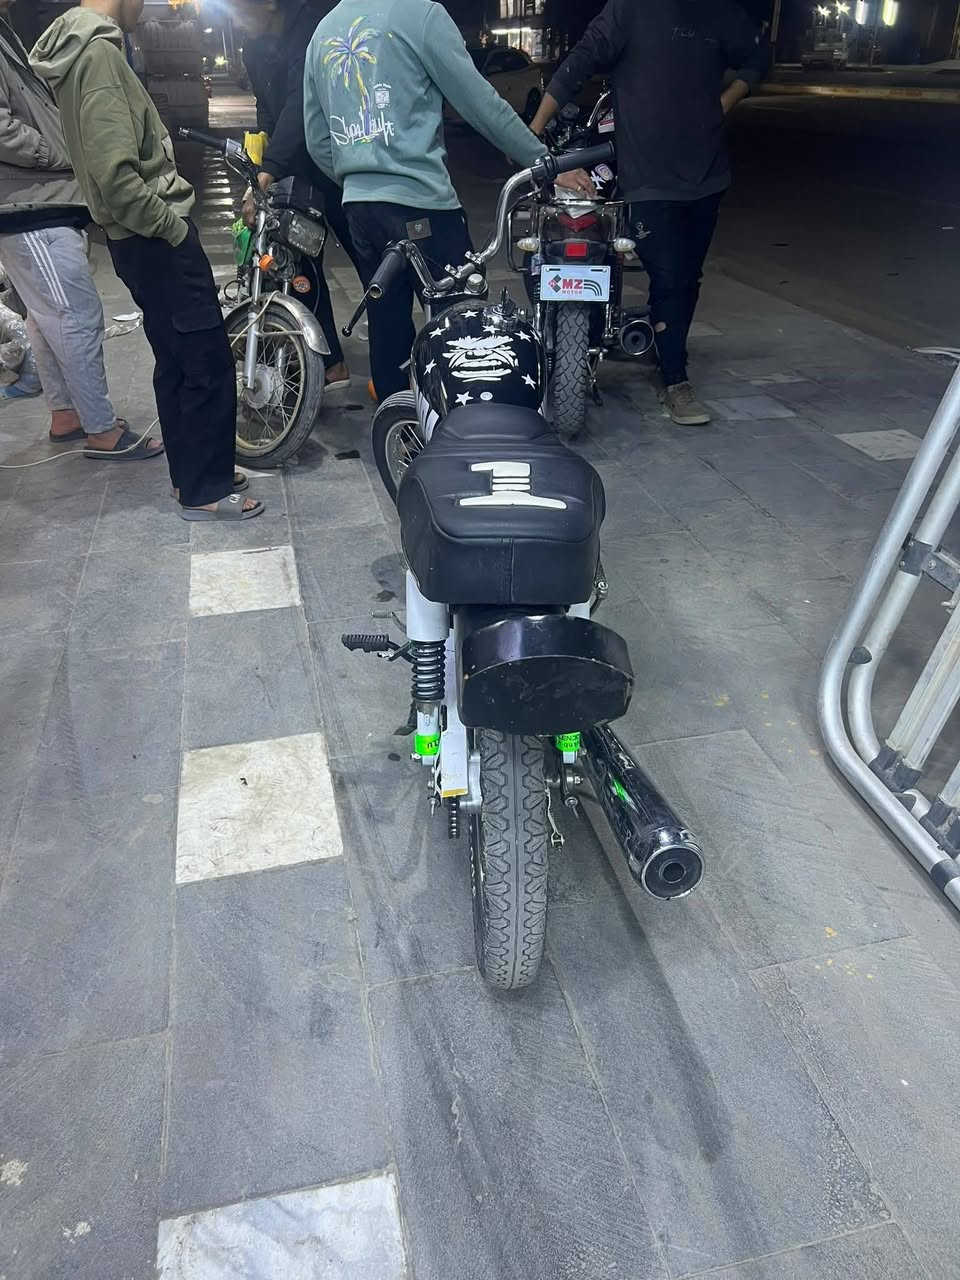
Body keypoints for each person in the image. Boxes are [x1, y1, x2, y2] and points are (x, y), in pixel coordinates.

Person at [31, 0, 262, 521]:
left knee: (178, 358)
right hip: (154, 237)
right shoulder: (98, 57)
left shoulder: (81, 52)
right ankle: (205, 489)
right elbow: (116, 177)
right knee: (205, 359)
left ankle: (194, 474)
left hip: (136, 241)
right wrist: (172, 228)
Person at [303, 0, 593, 401]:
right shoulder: (420, 14)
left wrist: (359, 178)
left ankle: (397, 426)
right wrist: (543, 162)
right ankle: (464, 427)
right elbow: (479, 102)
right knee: (463, 329)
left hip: (361, 211)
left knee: (387, 325)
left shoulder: (323, 32)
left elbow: (317, 140)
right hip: (424, 207)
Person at [531, 0, 769, 427]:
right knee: (668, 276)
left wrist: (727, 100)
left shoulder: (719, 13)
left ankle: (667, 346)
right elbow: (579, 63)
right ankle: (675, 379)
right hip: (647, 179)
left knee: (688, 278)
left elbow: (757, 56)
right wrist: (531, 134)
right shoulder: (629, 10)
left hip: (707, 175)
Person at [0, 0, 162, 455]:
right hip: (30, 204)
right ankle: (101, 429)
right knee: (76, 316)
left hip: (39, 202)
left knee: (45, 316)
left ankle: (67, 414)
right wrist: (59, 152)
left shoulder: (4, 29)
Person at [236, 0, 360, 393]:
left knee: (370, 257)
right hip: (294, 170)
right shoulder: (254, 45)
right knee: (301, 264)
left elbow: (300, 105)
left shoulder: (311, 27)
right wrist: (260, 164)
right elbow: (267, 110)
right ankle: (331, 361)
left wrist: (268, 169)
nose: (236, 16)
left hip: (338, 166)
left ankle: (402, 355)